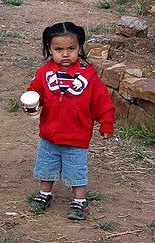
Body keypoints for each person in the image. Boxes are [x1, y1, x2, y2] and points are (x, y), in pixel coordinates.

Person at [21, 22, 115, 220]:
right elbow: (35, 90)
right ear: (49, 49)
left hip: (77, 136)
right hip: (49, 134)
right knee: (46, 166)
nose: (65, 54)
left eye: (71, 49)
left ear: (80, 48)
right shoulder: (44, 73)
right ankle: (44, 194)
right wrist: (31, 101)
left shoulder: (88, 76)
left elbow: (102, 101)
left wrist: (106, 123)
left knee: (76, 169)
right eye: (59, 49)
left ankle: (79, 201)